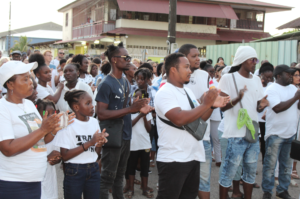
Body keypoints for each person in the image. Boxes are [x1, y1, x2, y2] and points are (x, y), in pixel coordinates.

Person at [155, 53, 228, 199]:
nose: (190, 71)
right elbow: (179, 119)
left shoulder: (187, 91)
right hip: (173, 159)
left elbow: (199, 119)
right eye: (186, 67)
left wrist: (212, 106)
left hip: (193, 156)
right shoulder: (165, 93)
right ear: (173, 70)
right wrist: (206, 103)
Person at [96, 42, 151, 199]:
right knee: (107, 178)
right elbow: (101, 113)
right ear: (114, 59)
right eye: (125, 57)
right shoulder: (106, 83)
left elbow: (126, 107)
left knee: (120, 177)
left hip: (126, 135)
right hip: (112, 136)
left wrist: (139, 108)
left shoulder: (126, 82)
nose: (129, 60)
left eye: (129, 57)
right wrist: (130, 109)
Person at [0, 61, 62, 199]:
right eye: (25, 79)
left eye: (30, 77)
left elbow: (39, 141)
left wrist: (53, 129)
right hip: (14, 183)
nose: (31, 82)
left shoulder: (28, 104)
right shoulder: (2, 109)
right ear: (10, 85)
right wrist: (42, 130)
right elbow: (7, 149)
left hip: (34, 181)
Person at [218, 46, 269, 199]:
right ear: (242, 60)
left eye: (256, 60)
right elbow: (223, 107)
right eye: (252, 60)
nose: (255, 63)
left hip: (252, 133)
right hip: (234, 134)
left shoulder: (256, 80)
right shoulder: (228, 78)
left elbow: (258, 107)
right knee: (229, 171)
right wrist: (238, 99)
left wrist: (262, 105)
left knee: (250, 171)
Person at [179, 44, 227, 199]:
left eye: (198, 55)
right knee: (183, 181)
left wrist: (212, 102)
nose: (198, 58)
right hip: (182, 137)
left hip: (203, 136)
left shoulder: (204, 75)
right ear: (183, 57)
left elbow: (208, 103)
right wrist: (202, 102)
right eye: (193, 56)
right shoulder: (174, 78)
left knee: (204, 180)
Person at [54, 89, 108, 199]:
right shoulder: (67, 124)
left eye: (92, 103)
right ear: (76, 107)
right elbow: (65, 156)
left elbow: (96, 154)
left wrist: (99, 144)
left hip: (93, 168)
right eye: (88, 103)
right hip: (74, 171)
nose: (92, 106)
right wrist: (90, 142)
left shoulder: (94, 122)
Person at [262, 65, 299, 199]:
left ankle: (282, 190)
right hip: (275, 134)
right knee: (270, 166)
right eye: (288, 74)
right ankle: (267, 191)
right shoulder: (272, 89)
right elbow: (277, 108)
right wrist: (296, 97)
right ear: (278, 76)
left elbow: (298, 106)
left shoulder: (293, 89)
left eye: (292, 74)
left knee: (286, 166)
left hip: (290, 133)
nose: (291, 76)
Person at [124, 89, 154, 198]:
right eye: (135, 97)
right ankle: (131, 188)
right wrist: (140, 115)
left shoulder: (147, 113)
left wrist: (145, 115)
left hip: (145, 144)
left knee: (145, 167)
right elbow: (129, 126)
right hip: (133, 144)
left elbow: (149, 129)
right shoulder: (129, 112)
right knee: (131, 166)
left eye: (141, 97)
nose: (138, 99)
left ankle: (144, 187)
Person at [257, 62, 274, 162]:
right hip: (256, 118)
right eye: (267, 77)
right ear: (261, 74)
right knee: (254, 141)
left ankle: (264, 161)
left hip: (266, 120)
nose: (268, 79)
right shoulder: (256, 84)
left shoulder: (272, 86)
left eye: (270, 77)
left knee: (264, 141)